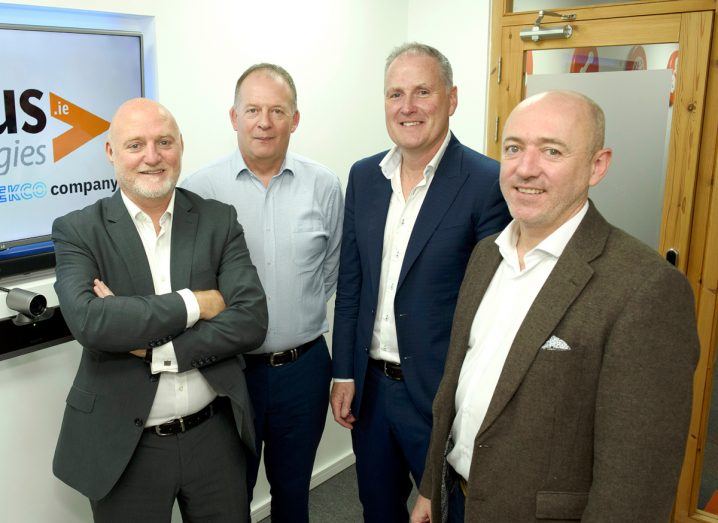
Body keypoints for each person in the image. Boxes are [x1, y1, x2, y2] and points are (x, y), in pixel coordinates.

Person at [412, 90, 700, 522]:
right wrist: (432, 489)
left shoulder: (645, 289)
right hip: (458, 500)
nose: (526, 169)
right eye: (514, 148)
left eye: (552, 150)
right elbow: (456, 388)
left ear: (597, 165)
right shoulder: (487, 254)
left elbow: (636, 482)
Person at [52, 98, 268, 522]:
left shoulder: (217, 220)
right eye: (135, 145)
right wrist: (197, 303)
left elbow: (250, 320)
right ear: (111, 152)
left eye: (164, 142)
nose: (152, 157)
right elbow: (92, 322)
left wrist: (153, 348)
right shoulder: (79, 229)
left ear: (181, 146)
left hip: (214, 437)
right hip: (124, 446)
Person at [330, 42, 511, 521]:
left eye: (422, 92)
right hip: (370, 391)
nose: (407, 107)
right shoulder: (365, 176)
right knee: (378, 508)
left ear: (451, 99)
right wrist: (344, 371)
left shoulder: (486, 181)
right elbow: (352, 284)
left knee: (449, 512)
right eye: (395, 94)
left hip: (439, 394)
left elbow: (492, 305)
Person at [182, 63, 343, 522]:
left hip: (304, 370)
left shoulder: (325, 185)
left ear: (295, 119)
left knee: (294, 496)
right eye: (252, 109)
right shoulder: (200, 190)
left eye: (277, 110)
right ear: (234, 118)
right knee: (228, 499)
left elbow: (330, 272)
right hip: (229, 372)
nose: (264, 122)